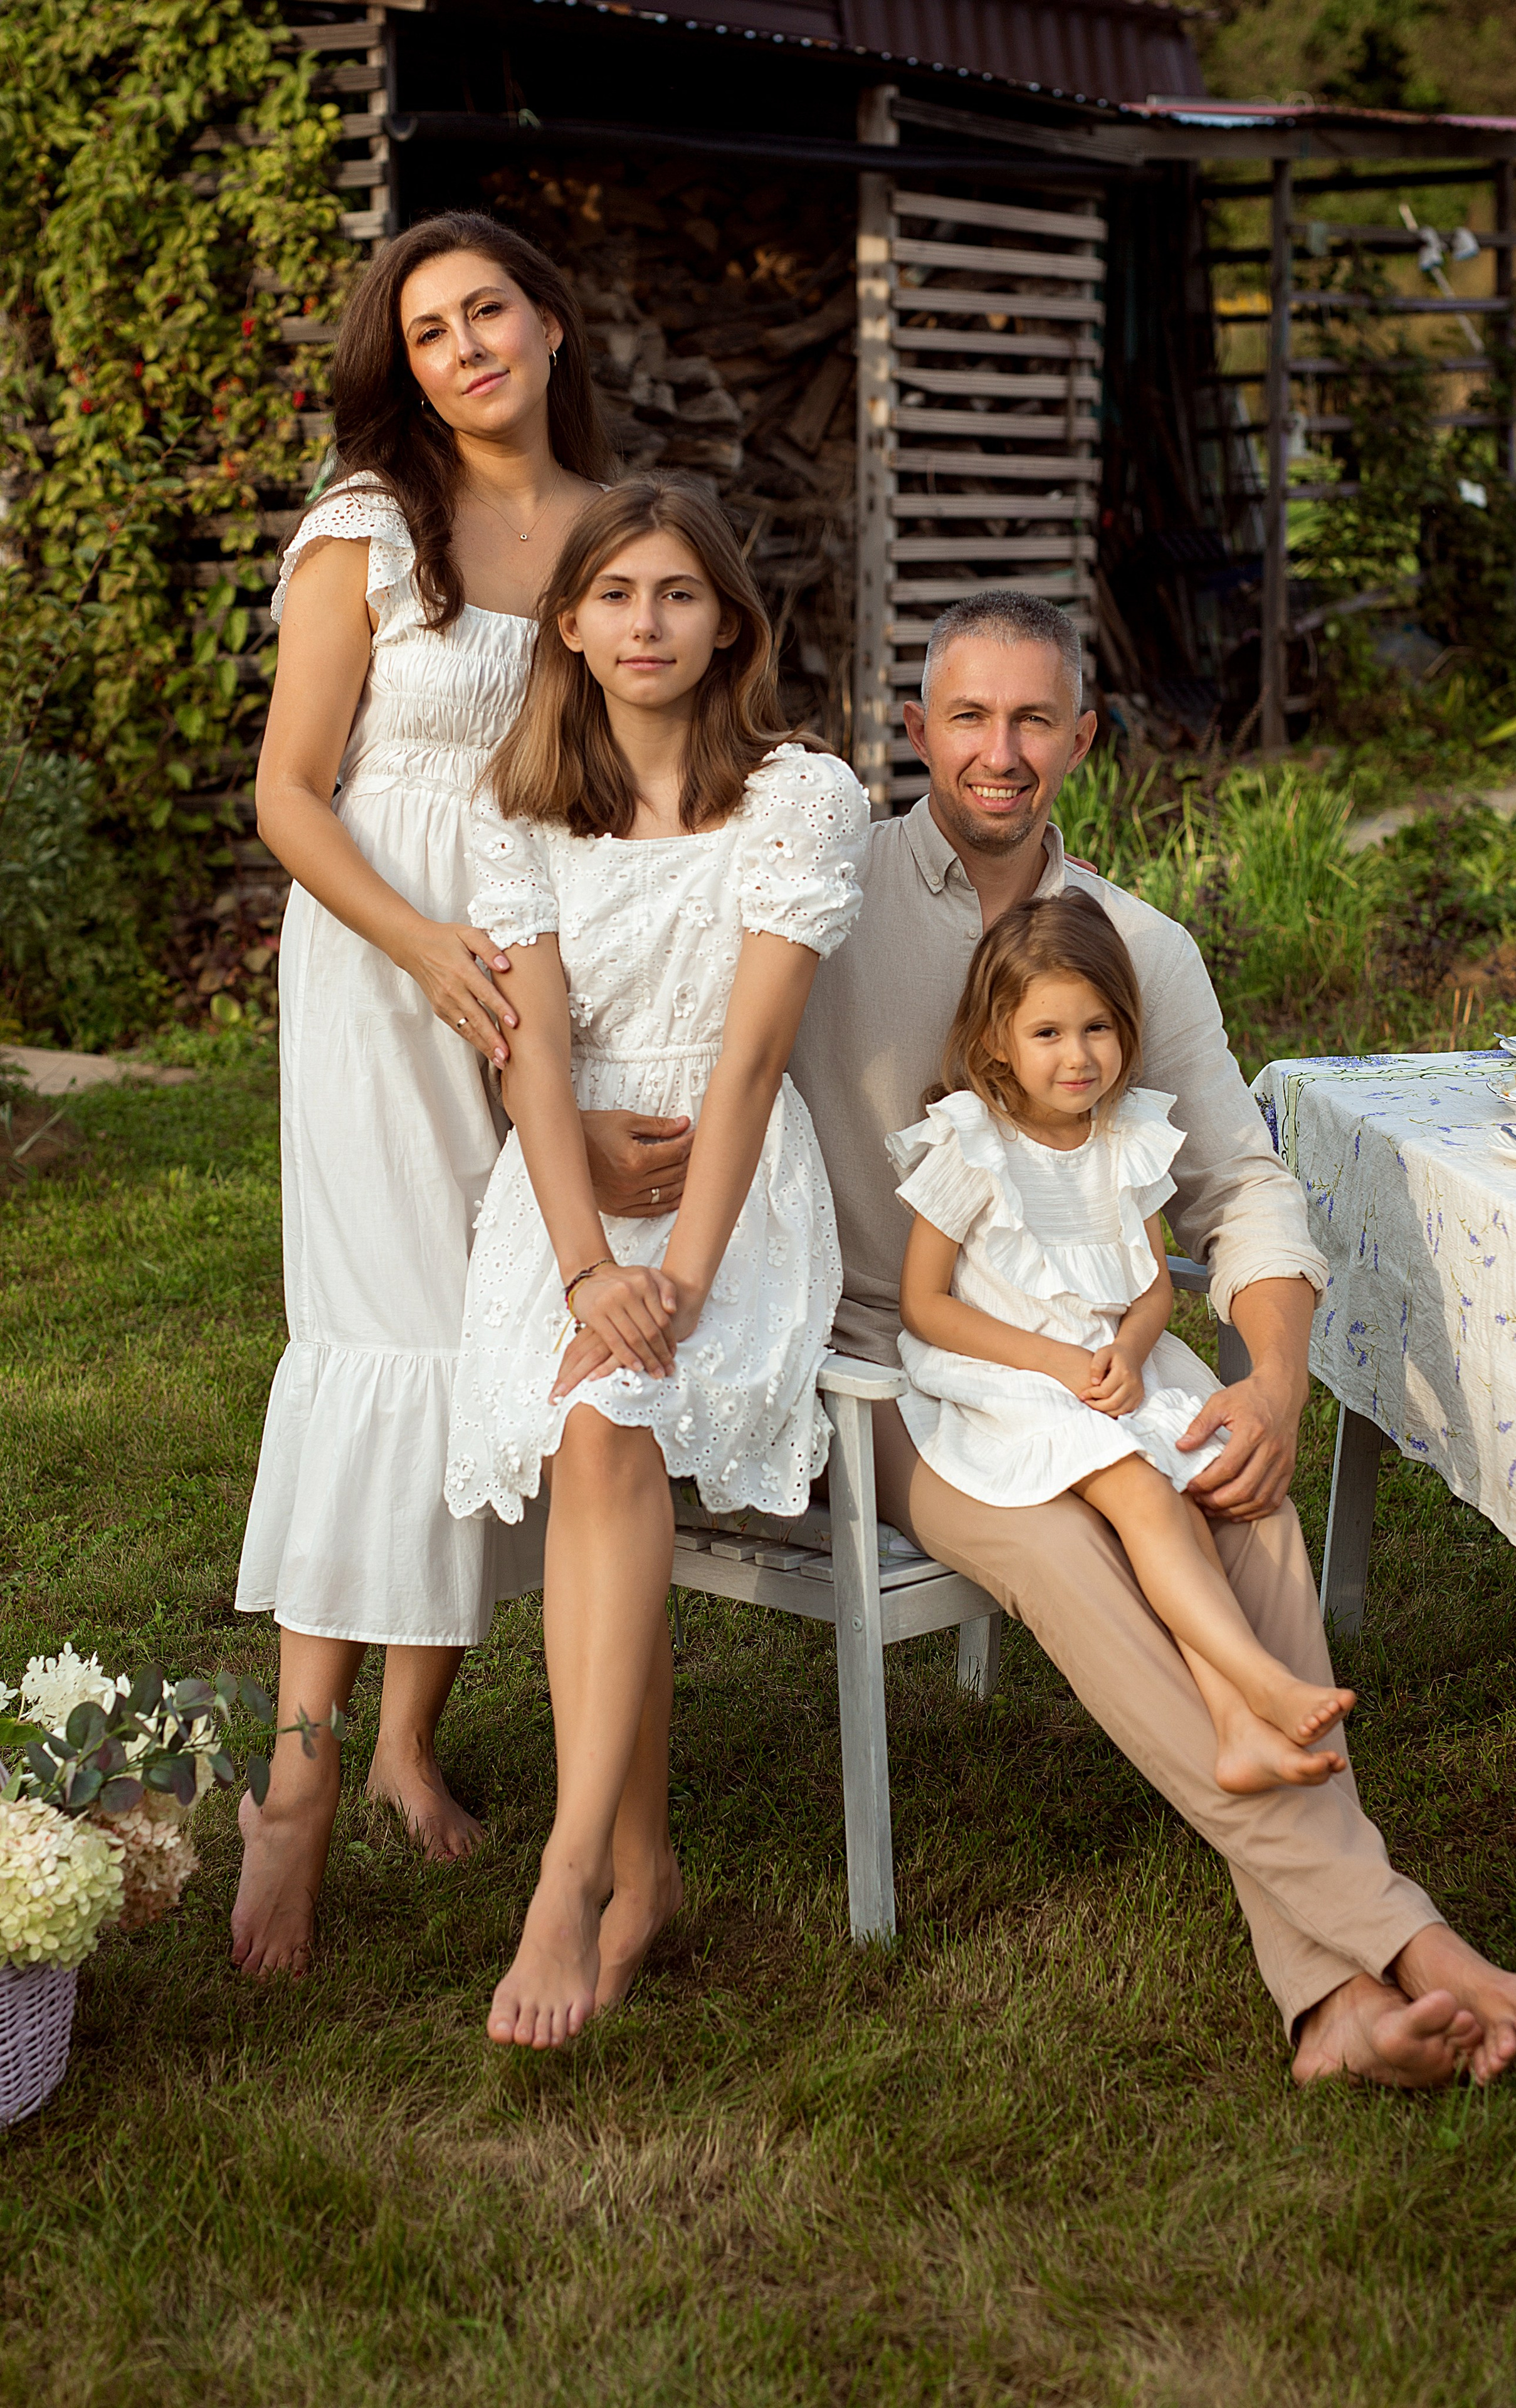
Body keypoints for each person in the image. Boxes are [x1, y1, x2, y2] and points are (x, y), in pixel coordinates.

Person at [791, 590, 1516, 2088]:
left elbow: (1240, 1189)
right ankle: (1396, 1943)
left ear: (1082, 737)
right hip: (889, 1373)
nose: (998, 751)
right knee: (1067, 1551)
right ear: (912, 728)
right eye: (966, 717)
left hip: (1101, 1362)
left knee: (1236, 1497)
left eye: (1031, 720)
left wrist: (1271, 1384)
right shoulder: (824, 906)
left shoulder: (1138, 945)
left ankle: (1329, 2008)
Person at [230, 211, 614, 1977]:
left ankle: (406, 1741)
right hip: (385, 960)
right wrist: (419, 948)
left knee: (496, 1322)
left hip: (547, 951)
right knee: (386, 1333)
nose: (465, 347)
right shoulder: (369, 526)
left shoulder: (610, 529)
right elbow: (289, 791)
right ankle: (298, 1786)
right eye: (429, 330)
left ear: (548, 324)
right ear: (409, 367)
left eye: (487, 311)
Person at [445, 473, 870, 2049]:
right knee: (590, 1416)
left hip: (731, 1198)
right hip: (564, 1197)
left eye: (678, 594)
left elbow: (749, 1068)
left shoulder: (798, 798)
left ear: (727, 624)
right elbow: (536, 1057)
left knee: (609, 1412)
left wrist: (674, 1285)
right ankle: (634, 1865)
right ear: (567, 624)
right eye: (615, 595)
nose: (646, 624)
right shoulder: (519, 809)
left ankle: (577, 1876)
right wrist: (583, 1272)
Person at [893, 889, 1354, 1796]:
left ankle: (1235, 1726)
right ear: (996, 1040)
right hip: (1010, 1376)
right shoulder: (970, 1143)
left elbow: (1151, 1287)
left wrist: (1134, 1352)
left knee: (1186, 1496)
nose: (1078, 1056)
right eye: (1048, 1033)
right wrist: (1061, 1363)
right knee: (1146, 1491)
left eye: (1097, 1028)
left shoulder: (1126, 1137)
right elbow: (924, 1305)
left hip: (1109, 1369)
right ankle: (1260, 1683)